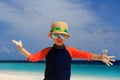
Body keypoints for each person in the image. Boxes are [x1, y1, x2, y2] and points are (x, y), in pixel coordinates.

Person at [12, 21, 115, 80]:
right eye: (56, 35)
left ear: (66, 37)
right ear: (51, 37)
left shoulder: (70, 50)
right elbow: (32, 57)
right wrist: (21, 49)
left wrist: (100, 57)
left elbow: (87, 55)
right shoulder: (47, 51)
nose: (59, 37)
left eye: (62, 35)